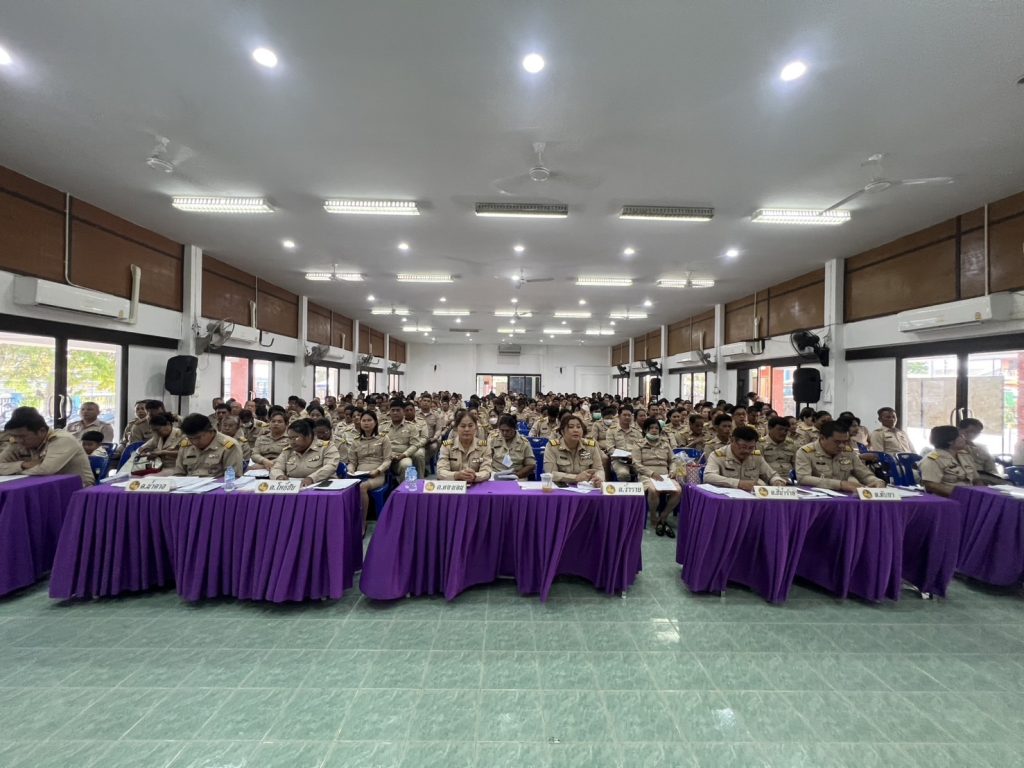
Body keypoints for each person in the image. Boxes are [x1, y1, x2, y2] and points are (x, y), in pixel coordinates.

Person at [0, 407, 94, 486]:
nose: (18, 440)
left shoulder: (62, 439)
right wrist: (23, 465)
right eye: (14, 436)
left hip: (76, 488)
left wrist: (11, 470)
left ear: (42, 431)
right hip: (39, 486)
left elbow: (46, 470)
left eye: (22, 436)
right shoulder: (17, 442)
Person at [795, 421, 885, 491]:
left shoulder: (848, 451)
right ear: (822, 438)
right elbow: (803, 478)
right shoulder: (805, 452)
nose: (842, 445)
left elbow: (864, 474)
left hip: (844, 497)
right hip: (817, 499)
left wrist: (877, 481)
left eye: (845, 442)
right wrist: (840, 484)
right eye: (837, 442)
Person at [631, 417, 680, 537]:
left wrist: (673, 470)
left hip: (665, 475)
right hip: (647, 475)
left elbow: (673, 460)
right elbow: (636, 464)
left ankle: (663, 516)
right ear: (645, 430)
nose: (654, 430)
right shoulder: (638, 444)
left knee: (678, 491)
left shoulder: (665, 444)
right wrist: (651, 473)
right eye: (651, 428)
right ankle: (653, 516)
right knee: (653, 490)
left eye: (656, 428)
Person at [705, 425, 787, 491]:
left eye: (751, 448)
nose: (747, 451)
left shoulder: (756, 457)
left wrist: (777, 481)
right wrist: (738, 483)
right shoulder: (718, 455)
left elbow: (771, 475)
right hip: (727, 499)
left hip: (751, 498)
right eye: (743, 447)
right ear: (732, 441)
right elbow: (708, 476)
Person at [349, 410, 392, 529]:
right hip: (359, 474)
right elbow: (352, 462)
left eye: (369, 420)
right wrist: (350, 469)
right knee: (345, 487)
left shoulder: (383, 438)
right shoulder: (356, 441)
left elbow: (387, 460)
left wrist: (378, 470)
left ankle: (362, 523)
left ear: (375, 422)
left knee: (362, 487)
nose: (366, 423)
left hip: (377, 475)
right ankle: (349, 519)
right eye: (363, 420)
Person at [270, 418, 341, 486]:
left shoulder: (326, 447)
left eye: (296, 438)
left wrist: (311, 479)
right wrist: (279, 476)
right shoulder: (288, 451)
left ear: (308, 436)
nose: (292, 442)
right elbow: (276, 468)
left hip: (322, 487)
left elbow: (330, 466)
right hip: (294, 487)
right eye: (290, 438)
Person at [172, 414, 243, 477]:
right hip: (188, 486)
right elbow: (179, 473)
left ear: (210, 431)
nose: (194, 442)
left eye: (198, 437)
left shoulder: (229, 446)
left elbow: (234, 477)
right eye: (190, 438)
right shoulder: (186, 445)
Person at [543, 414, 604, 486]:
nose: (576, 430)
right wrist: (576, 478)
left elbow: (599, 469)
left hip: (585, 487)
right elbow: (550, 473)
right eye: (571, 427)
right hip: (561, 487)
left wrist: (598, 478)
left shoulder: (590, 446)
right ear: (562, 432)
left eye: (579, 427)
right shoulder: (552, 446)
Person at [921, 425, 980, 497]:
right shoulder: (932, 460)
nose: (965, 439)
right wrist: (962, 494)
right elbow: (931, 485)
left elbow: (976, 479)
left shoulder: (965, 455)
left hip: (971, 496)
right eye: (961, 436)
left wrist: (983, 493)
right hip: (948, 499)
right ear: (950, 441)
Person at [437, 409, 492, 483]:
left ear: (476, 427)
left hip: (476, 484)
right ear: (456, 428)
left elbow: (487, 471)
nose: (466, 429)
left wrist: (475, 476)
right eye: (463, 426)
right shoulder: (447, 446)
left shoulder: (484, 446)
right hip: (453, 485)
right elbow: (440, 471)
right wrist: (456, 475)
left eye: (470, 426)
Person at [381, 400, 421, 483]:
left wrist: (403, 455)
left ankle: (405, 489)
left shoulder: (411, 427)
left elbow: (415, 445)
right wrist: (387, 455)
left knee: (407, 465)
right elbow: (377, 443)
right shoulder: (382, 426)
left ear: (403, 412)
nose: (395, 413)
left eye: (398, 410)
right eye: (393, 410)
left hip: (402, 457)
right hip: (384, 457)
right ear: (389, 412)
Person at [488, 414, 536, 479]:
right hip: (496, 474)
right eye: (502, 430)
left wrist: (517, 475)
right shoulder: (493, 440)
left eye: (507, 430)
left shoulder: (524, 443)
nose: (504, 433)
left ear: (514, 428)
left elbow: (531, 465)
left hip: (517, 476)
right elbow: (486, 460)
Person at [957, 418, 1002, 485]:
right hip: (964, 479)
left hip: (984, 478)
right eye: (969, 431)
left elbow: (991, 469)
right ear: (959, 430)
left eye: (977, 433)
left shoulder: (982, 448)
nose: (972, 435)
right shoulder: (951, 448)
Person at [608, 406, 643, 481]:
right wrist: (626, 455)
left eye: (629, 415)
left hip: (635, 460)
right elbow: (610, 449)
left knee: (644, 472)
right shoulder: (611, 431)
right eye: (624, 415)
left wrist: (634, 457)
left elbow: (641, 447)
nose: (627, 417)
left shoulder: (637, 431)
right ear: (619, 416)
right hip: (619, 461)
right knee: (623, 474)